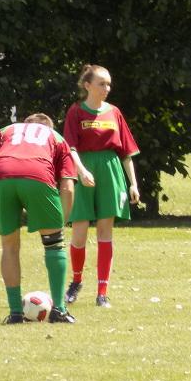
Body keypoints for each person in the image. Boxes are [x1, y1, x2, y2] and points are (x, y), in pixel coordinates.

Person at [0, 113, 77, 324]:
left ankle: (15, 313)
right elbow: (68, 187)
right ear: (49, 127)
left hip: (1, 177)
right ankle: (59, 310)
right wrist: (61, 222)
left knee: (9, 247)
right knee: (54, 244)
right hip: (37, 174)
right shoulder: (56, 138)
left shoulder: (6, 131)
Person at [63, 64, 140, 308]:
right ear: (87, 85)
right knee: (80, 230)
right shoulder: (76, 111)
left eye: (108, 84)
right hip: (85, 168)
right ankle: (76, 282)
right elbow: (70, 147)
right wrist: (81, 170)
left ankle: (102, 292)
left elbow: (126, 152)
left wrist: (133, 184)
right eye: (101, 84)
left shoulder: (114, 112)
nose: (106, 88)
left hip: (110, 170)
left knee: (105, 232)